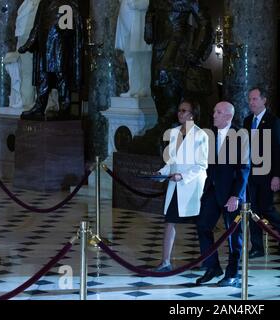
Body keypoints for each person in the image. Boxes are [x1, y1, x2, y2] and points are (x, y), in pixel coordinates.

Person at [195, 101, 250, 287]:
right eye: (214, 111)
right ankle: (212, 267)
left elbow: (244, 169)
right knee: (203, 225)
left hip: (232, 194)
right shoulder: (209, 134)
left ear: (228, 116)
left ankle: (232, 273)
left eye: (218, 112)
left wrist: (236, 195)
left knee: (234, 236)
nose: (214, 115)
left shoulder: (240, 136)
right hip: (212, 191)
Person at [153, 100, 208, 271]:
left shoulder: (201, 135)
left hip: (192, 186)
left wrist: (182, 176)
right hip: (175, 186)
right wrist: (161, 173)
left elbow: (201, 165)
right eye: (179, 110)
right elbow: (171, 161)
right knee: (169, 221)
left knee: (201, 224)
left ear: (192, 114)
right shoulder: (175, 132)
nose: (180, 113)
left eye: (184, 111)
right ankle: (166, 262)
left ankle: (206, 260)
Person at [144, 0, 213, 137]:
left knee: (170, 88)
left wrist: (196, 50)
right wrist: (149, 24)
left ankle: (169, 128)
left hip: (178, 47)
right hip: (159, 46)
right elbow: (150, 21)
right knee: (156, 88)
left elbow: (205, 22)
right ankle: (165, 127)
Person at [243, 87, 280, 258]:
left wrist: (276, 175)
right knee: (253, 210)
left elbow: (279, 150)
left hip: (267, 173)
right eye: (250, 99)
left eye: (255, 99)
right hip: (251, 174)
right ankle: (257, 247)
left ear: (264, 100)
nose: (251, 102)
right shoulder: (247, 121)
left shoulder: (274, 121)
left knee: (266, 207)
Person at [18, 0, 83, 121]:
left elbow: (70, 30)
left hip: (59, 46)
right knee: (43, 76)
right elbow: (37, 25)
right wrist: (29, 43)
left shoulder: (68, 3)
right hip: (45, 46)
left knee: (61, 76)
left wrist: (65, 43)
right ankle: (39, 107)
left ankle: (65, 107)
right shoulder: (44, 2)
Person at [115, 0, 151, 98]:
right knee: (130, 59)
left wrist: (137, 4)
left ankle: (144, 88)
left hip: (139, 25)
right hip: (127, 26)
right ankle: (133, 88)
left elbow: (150, 2)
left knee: (142, 59)